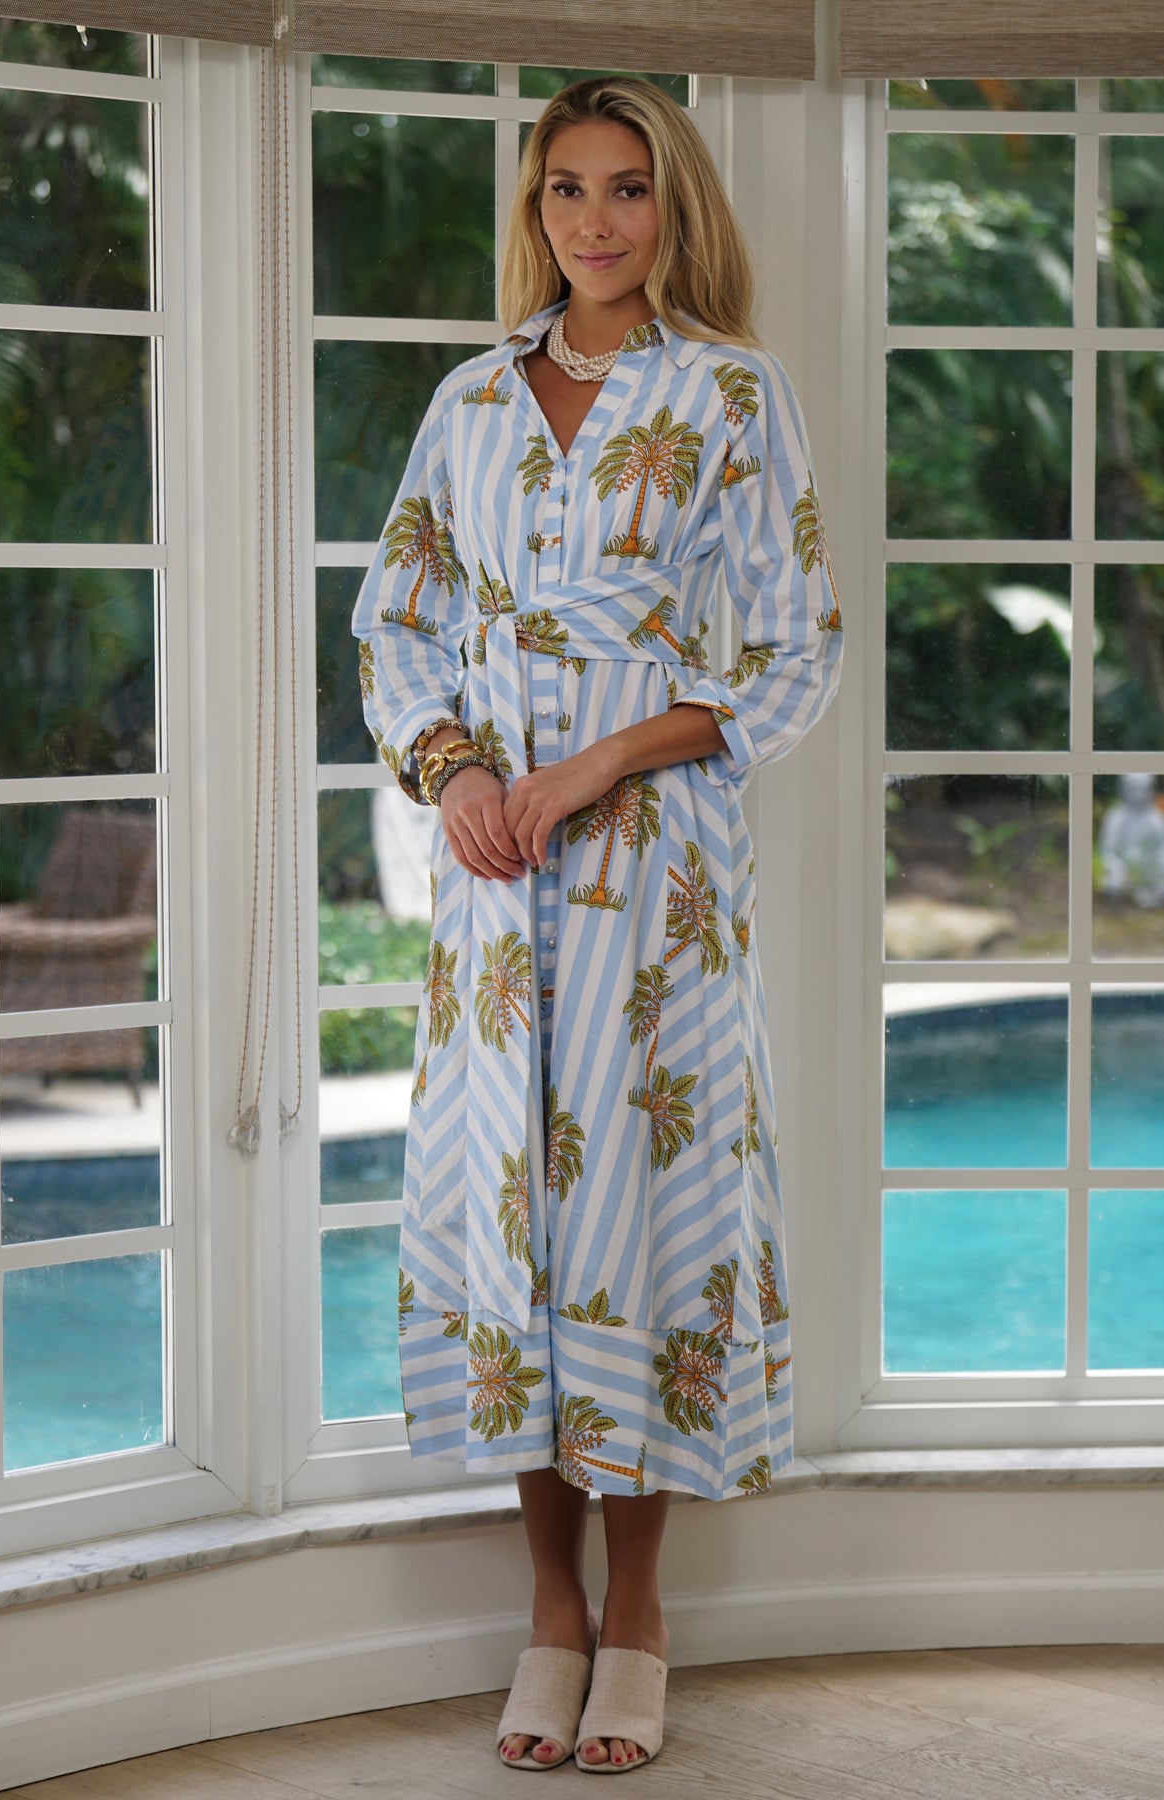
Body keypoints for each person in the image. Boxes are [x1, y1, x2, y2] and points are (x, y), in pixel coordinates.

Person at [354, 75, 842, 1774]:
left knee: (646, 1210)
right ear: (535, 211)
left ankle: (636, 1612)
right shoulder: (470, 400)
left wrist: (596, 764)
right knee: (518, 1214)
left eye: (626, 186)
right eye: (563, 188)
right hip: (497, 883)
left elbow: (792, 644)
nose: (592, 219)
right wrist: (458, 771)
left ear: (670, 206)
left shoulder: (730, 394)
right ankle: (546, 1613)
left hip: (656, 876)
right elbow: (397, 622)